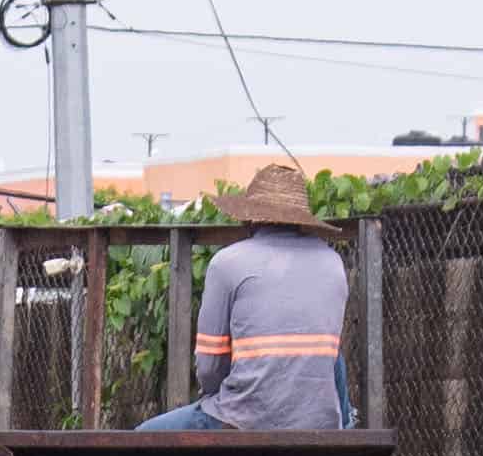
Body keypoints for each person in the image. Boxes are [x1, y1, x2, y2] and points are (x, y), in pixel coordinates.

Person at [144, 158, 353, 432]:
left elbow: (209, 369)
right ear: (301, 220)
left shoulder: (227, 263)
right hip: (320, 421)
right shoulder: (332, 263)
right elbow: (331, 358)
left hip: (242, 416)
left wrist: (225, 396)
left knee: (143, 438)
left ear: (250, 217)